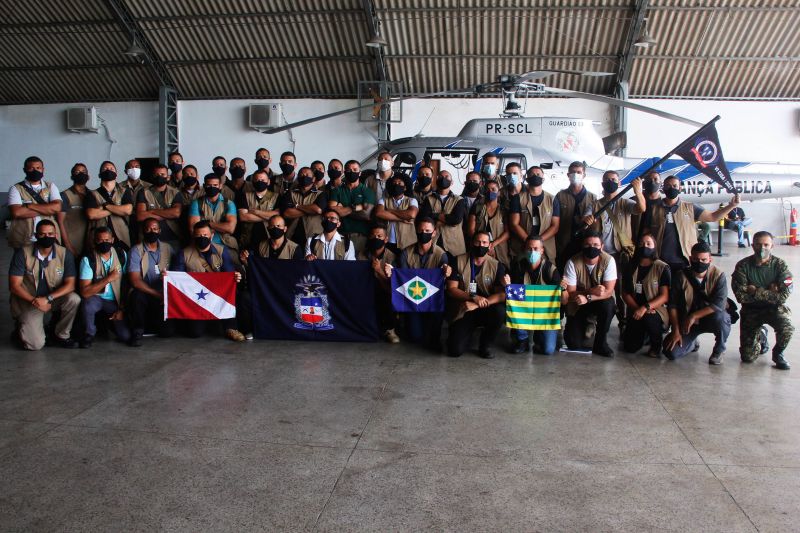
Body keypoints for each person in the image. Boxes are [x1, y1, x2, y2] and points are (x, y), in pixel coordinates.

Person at [583, 172, 646, 328]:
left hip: (621, 254)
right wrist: (587, 219)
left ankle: (624, 320)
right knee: (601, 286)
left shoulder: (625, 203)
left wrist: (638, 191)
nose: (610, 182)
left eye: (614, 180)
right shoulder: (595, 204)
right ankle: (595, 319)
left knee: (622, 288)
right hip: (601, 255)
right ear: (602, 183)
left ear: (619, 183)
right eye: (607, 180)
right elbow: (585, 218)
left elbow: (641, 208)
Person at [8, 220, 80, 350]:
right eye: (42, 234)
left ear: (56, 235)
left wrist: (47, 299)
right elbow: (14, 286)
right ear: (36, 235)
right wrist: (35, 301)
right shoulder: (22, 253)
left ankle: (61, 335)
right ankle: (20, 327)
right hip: (29, 301)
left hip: (51, 298)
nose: (47, 237)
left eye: (50, 234)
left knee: (74, 299)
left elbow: (70, 285)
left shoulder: (64, 254)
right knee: (35, 345)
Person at [647, 175, 740, 274]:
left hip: (686, 260)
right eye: (668, 186)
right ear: (663, 188)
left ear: (680, 188)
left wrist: (731, 205)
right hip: (660, 261)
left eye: (675, 186)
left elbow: (713, 217)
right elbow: (646, 233)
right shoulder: (653, 209)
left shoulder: (690, 207)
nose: (671, 188)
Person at [174, 220, 246, 341]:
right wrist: (167, 276)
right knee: (195, 333)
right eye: (198, 235)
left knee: (235, 294)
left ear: (211, 236)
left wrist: (235, 277)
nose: (202, 238)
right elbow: (177, 279)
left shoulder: (221, 251)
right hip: (196, 298)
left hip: (218, 295)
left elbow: (229, 274)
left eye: (205, 235)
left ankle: (231, 327)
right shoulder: (184, 254)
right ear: (193, 236)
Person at [731, 231, 792, 370]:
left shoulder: (780, 265)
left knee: (787, 327)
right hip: (751, 310)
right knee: (748, 358)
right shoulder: (743, 266)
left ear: (772, 246)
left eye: (766, 244)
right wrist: (770, 291)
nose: (762, 248)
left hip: (774, 308)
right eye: (758, 244)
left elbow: (784, 296)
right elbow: (741, 297)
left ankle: (778, 354)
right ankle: (762, 335)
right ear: (752, 246)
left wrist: (755, 290)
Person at [663, 242, 730, 364]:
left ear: (710, 259)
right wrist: (675, 331)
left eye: (704, 260)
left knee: (722, 317)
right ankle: (692, 343)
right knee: (670, 352)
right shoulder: (681, 276)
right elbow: (672, 305)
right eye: (695, 259)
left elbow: (718, 304)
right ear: (690, 259)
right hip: (687, 322)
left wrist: (694, 316)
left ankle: (719, 350)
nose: (699, 263)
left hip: (709, 318)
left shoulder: (718, 275)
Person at [390, 217, 451, 350]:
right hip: (413, 299)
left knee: (431, 335)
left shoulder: (441, 255)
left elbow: (442, 282)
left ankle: (435, 335)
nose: (424, 233)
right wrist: (391, 272)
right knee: (415, 337)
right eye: (421, 230)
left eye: (428, 230)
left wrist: (447, 273)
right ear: (416, 231)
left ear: (434, 232)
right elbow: (403, 279)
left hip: (432, 299)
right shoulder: (406, 253)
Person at [446, 231, 507, 358]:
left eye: (484, 243)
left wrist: (479, 304)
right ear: (471, 243)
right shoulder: (457, 260)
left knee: (500, 311)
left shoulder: (497, 265)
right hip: (464, 309)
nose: (481, 245)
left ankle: (485, 344)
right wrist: (473, 297)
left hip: (486, 308)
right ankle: (465, 332)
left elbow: (501, 295)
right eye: (477, 242)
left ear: (490, 246)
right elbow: (451, 289)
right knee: (454, 350)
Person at [504, 234, 564, 355]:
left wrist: (564, 289)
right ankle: (522, 339)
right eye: (529, 249)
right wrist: (508, 286)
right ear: (524, 250)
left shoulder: (550, 269)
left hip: (544, 314)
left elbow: (561, 300)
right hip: (524, 310)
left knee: (548, 350)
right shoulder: (518, 267)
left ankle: (540, 335)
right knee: (513, 300)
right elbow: (513, 298)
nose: (532, 252)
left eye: (536, 249)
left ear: (542, 250)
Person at [563, 231, 617, 357]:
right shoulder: (572, 262)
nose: (591, 248)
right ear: (582, 246)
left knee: (609, 305)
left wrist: (588, 297)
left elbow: (608, 291)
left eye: (595, 245)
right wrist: (591, 291)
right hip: (577, 304)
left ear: (602, 247)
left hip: (598, 302)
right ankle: (586, 323)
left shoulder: (609, 261)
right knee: (573, 344)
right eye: (587, 245)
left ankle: (601, 342)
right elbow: (570, 293)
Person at [78, 227, 131, 348]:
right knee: (88, 304)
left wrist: (122, 309)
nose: (104, 243)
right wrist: (108, 279)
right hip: (97, 298)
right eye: (100, 241)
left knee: (125, 336)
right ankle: (89, 333)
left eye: (107, 240)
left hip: (116, 301)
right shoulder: (88, 259)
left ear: (112, 240)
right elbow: (85, 292)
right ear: (95, 241)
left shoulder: (121, 254)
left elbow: (127, 284)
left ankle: (111, 324)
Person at [127, 218, 175, 346]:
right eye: (148, 229)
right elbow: (135, 280)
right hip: (145, 291)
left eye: (155, 229)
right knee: (137, 296)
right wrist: (156, 294)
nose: (152, 232)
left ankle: (154, 324)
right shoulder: (136, 250)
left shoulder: (168, 248)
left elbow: (178, 272)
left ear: (159, 231)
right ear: (143, 231)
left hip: (164, 293)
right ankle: (137, 331)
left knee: (167, 332)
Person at [620, 234, 671, 357]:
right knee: (630, 347)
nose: (645, 246)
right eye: (642, 243)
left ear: (654, 246)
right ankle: (645, 335)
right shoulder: (630, 265)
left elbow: (665, 296)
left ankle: (656, 345)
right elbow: (625, 293)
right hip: (635, 308)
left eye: (648, 243)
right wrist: (637, 309)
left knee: (649, 318)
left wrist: (645, 308)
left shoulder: (662, 267)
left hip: (655, 309)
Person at [7, 156, 62, 249]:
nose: (35, 170)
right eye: (31, 168)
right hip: (24, 237)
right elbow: (16, 212)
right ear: (25, 170)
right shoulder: (16, 188)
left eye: (38, 168)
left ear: (43, 169)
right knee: (25, 262)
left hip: (48, 236)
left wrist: (29, 206)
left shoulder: (51, 186)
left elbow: (57, 207)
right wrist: (48, 209)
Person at [509, 165, 560, 262]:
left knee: (547, 274)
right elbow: (514, 224)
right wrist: (529, 241)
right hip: (522, 246)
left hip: (545, 248)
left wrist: (539, 242)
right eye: (532, 175)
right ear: (526, 179)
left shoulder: (552, 199)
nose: (535, 176)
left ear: (543, 179)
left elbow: (555, 226)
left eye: (538, 174)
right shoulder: (517, 198)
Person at [359, 224, 399, 343]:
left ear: (386, 239)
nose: (376, 238)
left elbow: (394, 285)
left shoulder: (392, 257)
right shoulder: (361, 254)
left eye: (379, 236)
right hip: (366, 289)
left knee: (387, 297)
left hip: (385, 290)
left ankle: (390, 330)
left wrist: (379, 271)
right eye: (373, 236)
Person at [555, 161, 596, 270]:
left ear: (584, 175)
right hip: (564, 243)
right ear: (568, 175)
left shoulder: (593, 198)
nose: (575, 175)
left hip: (586, 243)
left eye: (579, 172)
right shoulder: (560, 196)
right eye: (573, 172)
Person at [328, 160, 375, 254]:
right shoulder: (337, 190)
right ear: (344, 172)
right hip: (340, 236)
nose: (352, 172)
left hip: (359, 237)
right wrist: (354, 207)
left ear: (360, 173)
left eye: (355, 169)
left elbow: (366, 215)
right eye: (349, 170)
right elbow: (332, 210)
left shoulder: (367, 191)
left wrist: (342, 208)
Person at [187, 173, 238, 259]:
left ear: (220, 186)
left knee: (235, 269)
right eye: (209, 185)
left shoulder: (229, 204)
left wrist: (207, 223)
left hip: (225, 244)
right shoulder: (196, 203)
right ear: (204, 186)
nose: (212, 188)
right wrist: (220, 226)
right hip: (201, 245)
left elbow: (230, 228)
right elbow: (193, 229)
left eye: (215, 185)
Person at [85, 160, 134, 250]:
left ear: (116, 174)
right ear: (99, 175)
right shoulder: (92, 193)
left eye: (111, 169)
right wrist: (118, 209)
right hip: (99, 238)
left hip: (122, 236)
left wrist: (104, 206)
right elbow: (91, 214)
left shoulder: (124, 191)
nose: (108, 170)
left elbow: (128, 210)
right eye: (105, 169)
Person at [419, 170, 467, 258]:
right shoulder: (428, 199)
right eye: (440, 177)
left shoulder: (459, 200)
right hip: (433, 242)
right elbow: (424, 218)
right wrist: (447, 219)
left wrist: (435, 216)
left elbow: (456, 219)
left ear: (452, 182)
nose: (443, 179)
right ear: (436, 180)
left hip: (454, 246)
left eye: (446, 177)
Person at [135, 164, 184, 249]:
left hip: (172, 237)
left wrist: (151, 211)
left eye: (162, 174)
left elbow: (176, 213)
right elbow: (140, 216)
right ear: (152, 176)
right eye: (156, 175)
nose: (159, 177)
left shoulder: (175, 192)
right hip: (148, 238)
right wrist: (167, 213)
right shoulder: (143, 192)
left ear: (168, 177)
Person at [280, 166, 327, 245]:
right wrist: (310, 210)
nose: (304, 177)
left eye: (307, 175)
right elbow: (287, 213)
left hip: (314, 236)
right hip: (292, 236)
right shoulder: (290, 193)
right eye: (301, 175)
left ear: (313, 179)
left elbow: (318, 210)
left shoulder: (321, 194)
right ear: (298, 178)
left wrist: (297, 206)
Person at [467, 180, 510, 266]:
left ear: (499, 192)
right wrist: (483, 245)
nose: (490, 192)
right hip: (479, 246)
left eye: (493, 189)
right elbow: (471, 230)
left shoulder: (503, 210)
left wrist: (492, 245)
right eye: (487, 189)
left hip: (499, 248)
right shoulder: (477, 208)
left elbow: (507, 232)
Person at [236, 169, 280, 249]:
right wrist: (268, 216)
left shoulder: (276, 196)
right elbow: (243, 217)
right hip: (248, 239)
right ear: (252, 182)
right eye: (257, 180)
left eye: (263, 180)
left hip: (269, 238)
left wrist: (256, 212)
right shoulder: (244, 196)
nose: (260, 182)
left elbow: (277, 215)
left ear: (268, 181)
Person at [375, 173, 418, 253]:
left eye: (399, 183)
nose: (396, 185)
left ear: (405, 187)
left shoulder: (412, 200)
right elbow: (379, 213)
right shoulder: (383, 200)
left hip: (408, 242)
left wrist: (390, 210)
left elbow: (411, 214)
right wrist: (402, 219)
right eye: (394, 183)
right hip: (388, 241)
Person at [58, 163, 90, 258]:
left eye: (84, 172)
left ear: (88, 176)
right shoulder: (64, 195)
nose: (81, 174)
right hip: (72, 244)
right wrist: (67, 245)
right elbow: (60, 221)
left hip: (89, 244)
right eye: (77, 172)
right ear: (72, 176)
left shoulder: (92, 194)